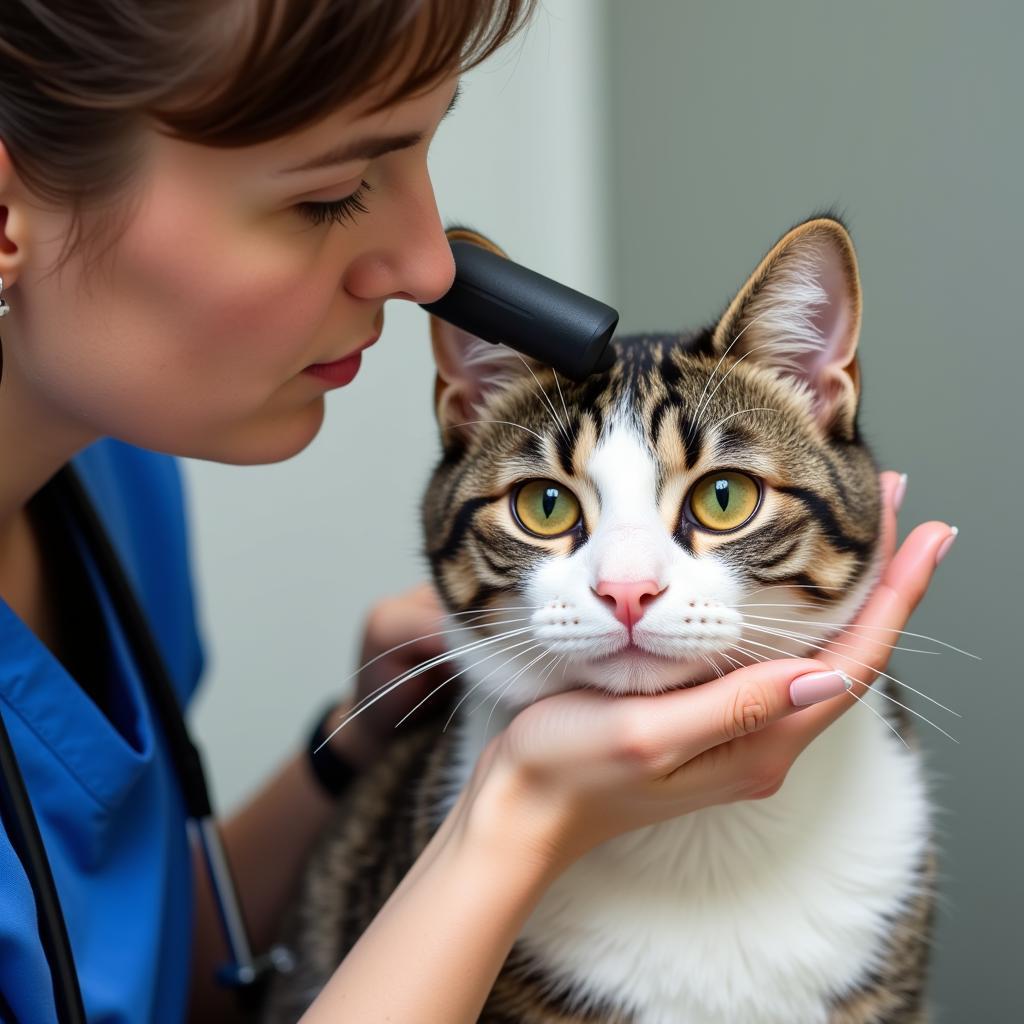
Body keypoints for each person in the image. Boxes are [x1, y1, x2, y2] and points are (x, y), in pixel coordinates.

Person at [0, 2, 957, 1022]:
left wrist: (345, 749)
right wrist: (517, 820)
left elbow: (121, 968)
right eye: (329, 194)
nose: (430, 269)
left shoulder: (118, 488)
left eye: (426, 146)